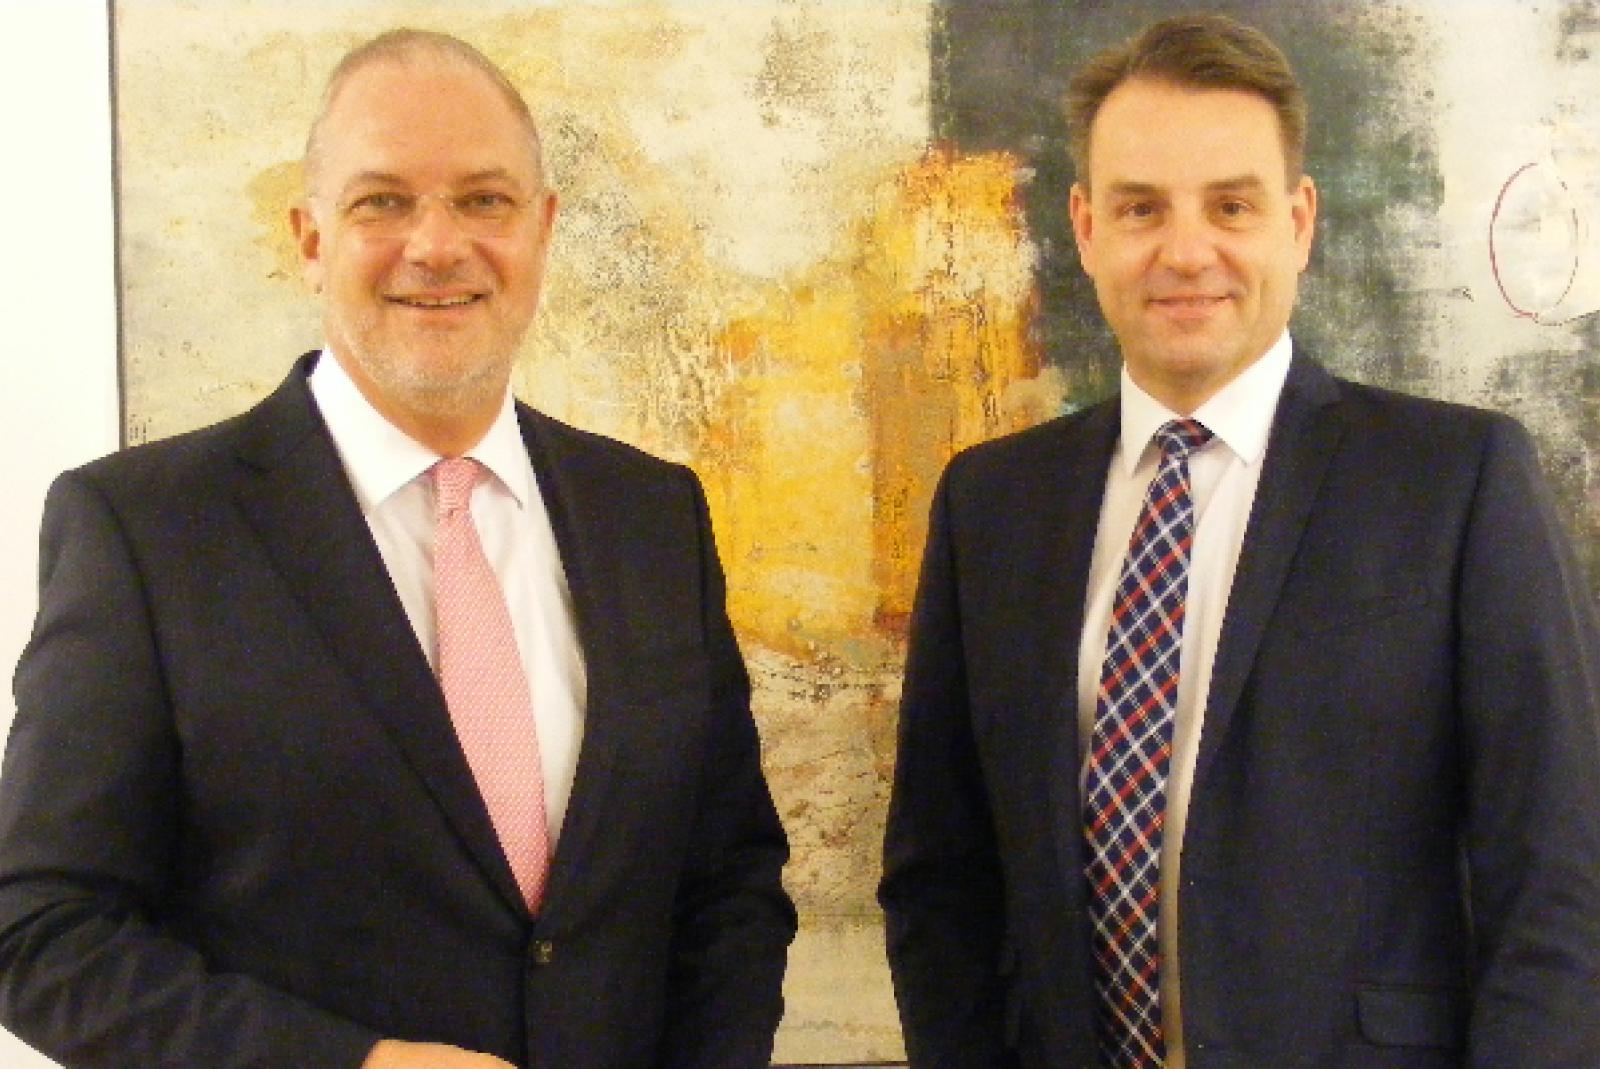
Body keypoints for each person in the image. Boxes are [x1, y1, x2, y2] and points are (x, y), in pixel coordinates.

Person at [0, 29, 794, 1069]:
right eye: (382, 201)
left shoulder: (651, 516)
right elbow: (41, 933)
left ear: (543, 228)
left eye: (484, 200)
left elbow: (729, 881)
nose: (436, 244)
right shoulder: (145, 530)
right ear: (310, 239)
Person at [879, 12, 1600, 1069]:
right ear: (1085, 228)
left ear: (1297, 223)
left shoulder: (1456, 482)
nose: (1186, 251)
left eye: (1231, 205)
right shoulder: (991, 506)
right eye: (1140, 207)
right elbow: (941, 876)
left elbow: (1560, 875)